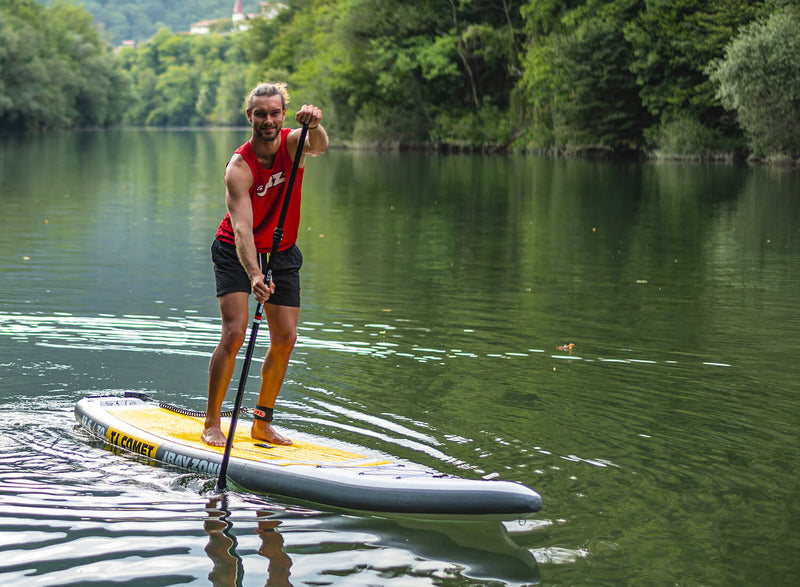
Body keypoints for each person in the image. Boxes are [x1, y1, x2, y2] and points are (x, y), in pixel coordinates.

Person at [202, 82, 328, 447]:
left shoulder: (295, 142)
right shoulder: (239, 167)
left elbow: (319, 147)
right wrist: (254, 274)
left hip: (282, 251)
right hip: (236, 250)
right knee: (235, 332)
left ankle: (260, 423)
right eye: (260, 114)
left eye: (274, 113)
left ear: (283, 115)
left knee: (286, 337)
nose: (268, 120)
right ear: (249, 117)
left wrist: (315, 125)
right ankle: (212, 422)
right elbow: (241, 228)